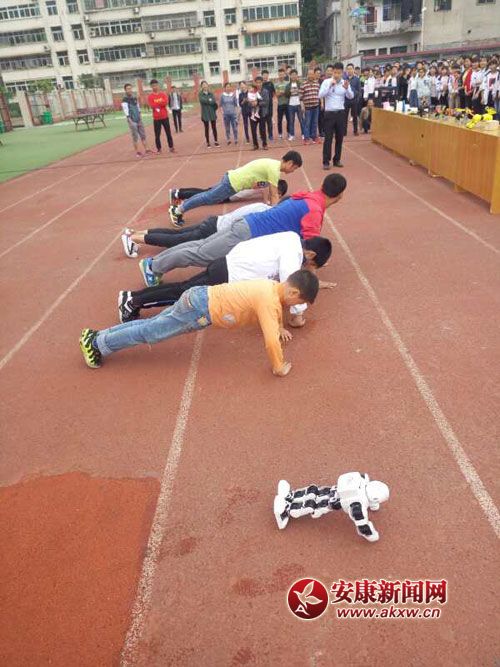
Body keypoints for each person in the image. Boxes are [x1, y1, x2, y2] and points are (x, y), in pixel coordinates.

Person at [79, 270, 320, 377]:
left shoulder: (271, 287)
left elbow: (274, 314)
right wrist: (278, 366)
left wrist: (279, 326)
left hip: (199, 297)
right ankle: (97, 344)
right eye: (298, 302)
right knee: (150, 332)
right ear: (294, 292)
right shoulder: (269, 300)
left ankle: (98, 337)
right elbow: (270, 341)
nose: (295, 306)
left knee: (151, 325)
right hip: (198, 309)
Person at [142, 173, 346, 285]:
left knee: (199, 247)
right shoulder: (314, 211)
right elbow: (309, 251)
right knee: (200, 254)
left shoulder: (309, 196)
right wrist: (312, 281)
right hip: (248, 233)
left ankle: (154, 264)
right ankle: (153, 266)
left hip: (247, 225)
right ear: (339, 195)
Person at [118, 233, 333, 325]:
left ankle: (133, 299)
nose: (307, 268)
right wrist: (298, 314)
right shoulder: (293, 254)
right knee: (181, 294)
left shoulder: (292, 238)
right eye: (311, 265)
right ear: (311, 254)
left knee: (182, 289)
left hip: (227, 264)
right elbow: (290, 282)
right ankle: (133, 300)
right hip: (228, 274)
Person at [121, 196, 286, 258]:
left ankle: (135, 233)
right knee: (176, 240)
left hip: (215, 222)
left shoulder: (262, 207)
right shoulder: (265, 215)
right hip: (215, 230)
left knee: (176, 234)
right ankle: (134, 239)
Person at [168, 152, 302, 227]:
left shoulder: (272, 165)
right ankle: (178, 210)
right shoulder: (274, 169)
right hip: (232, 183)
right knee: (207, 198)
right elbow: (274, 195)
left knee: (207, 196)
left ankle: (179, 208)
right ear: (290, 163)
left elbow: (264, 188)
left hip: (232, 180)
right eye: (294, 168)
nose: (293, 171)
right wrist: (276, 213)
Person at [319, 62, 354, 170]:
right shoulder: (326, 82)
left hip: (341, 113)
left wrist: (347, 88)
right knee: (328, 139)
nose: (336, 75)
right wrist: (330, 85)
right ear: (332, 72)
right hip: (329, 113)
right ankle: (326, 161)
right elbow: (320, 95)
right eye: (335, 72)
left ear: (342, 73)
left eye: (339, 73)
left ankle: (337, 160)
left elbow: (351, 96)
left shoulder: (345, 82)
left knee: (339, 138)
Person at [121, 83, 152, 158]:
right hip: (132, 120)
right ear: (125, 90)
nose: (129, 90)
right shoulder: (125, 99)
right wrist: (129, 120)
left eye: (130, 88)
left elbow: (138, 107)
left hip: (138, 119)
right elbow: (126, 110)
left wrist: (140, 117)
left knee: (143, 135)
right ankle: (137, 152)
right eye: (128, 89)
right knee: (135, 137)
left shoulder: (134, 98)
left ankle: (147, 149)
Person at [147, 79, 174, 154]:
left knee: (168, 133)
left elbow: (165, 102)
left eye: (156, 85)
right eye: (153, 86)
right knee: (157, 135)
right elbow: (152, 105)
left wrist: (158, 104)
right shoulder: (150, 96)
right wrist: (160, 103)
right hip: (156, 118)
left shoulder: (163, 94)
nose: (155, 87)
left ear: (158, 85)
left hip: (165, 117)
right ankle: (159, 149)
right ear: (151, 87)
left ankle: (171, 147)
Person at [300, 68, 321, 145]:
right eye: (309, 74)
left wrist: (322, 103)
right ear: (307, 75)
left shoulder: (317, 84)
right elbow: (301, 97)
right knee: (307, 123)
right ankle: (306, 138)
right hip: (307, 107)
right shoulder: (303, 84)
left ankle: (314, 137)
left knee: (315, 123)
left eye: (312, 74)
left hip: (316, 106)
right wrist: (302, 106)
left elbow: (320, 94)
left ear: (314, 75)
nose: (310, 76)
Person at [199, 80, 219, 148]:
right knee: (206, 128)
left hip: (212, 112)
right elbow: (202, 100)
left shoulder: (211, 93)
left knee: (214, 127)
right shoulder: (200, 94)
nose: (205, 86)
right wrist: (209, 100)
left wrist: (208, 101)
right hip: (205, 113)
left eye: (205, 84)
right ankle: (208, 142)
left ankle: (216, 141)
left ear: (207, 85)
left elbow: (213, 101)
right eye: (203, 85)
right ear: (201, 86)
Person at [286, 69, 304, 141]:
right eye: (292, 75)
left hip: (299, 104)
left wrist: (298, 91)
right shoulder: (288, 85)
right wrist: (289, 92)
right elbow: (286, 95)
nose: (293, 76)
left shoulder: (300, 84)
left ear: (297, 75)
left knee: (301, 120)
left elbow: (303, 93)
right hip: (291, 105)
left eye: (295, 75)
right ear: (290, 76)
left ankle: (303, 134)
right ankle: (292, 135)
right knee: (291, 120)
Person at [344, 63, 361, 136]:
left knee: (355, 116)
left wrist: (357, 98)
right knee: (344, 117)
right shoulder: (344, 79)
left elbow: (359, 90)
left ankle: (355, 130)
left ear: (353, 70)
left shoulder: (357, 79)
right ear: (346, 70)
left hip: (354, 100)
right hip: (346, 100)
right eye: (348, 69)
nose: (349, 70)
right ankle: (344, 131)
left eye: (351, 69)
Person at [275, 68, 290, 140]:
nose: (281, 76)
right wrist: (283, 92)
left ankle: (289, 132)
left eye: (282, 74)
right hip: (280, 104)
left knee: (289, 119)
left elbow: (289, 93)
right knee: (279, 120)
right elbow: (277, 95)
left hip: (287, 104)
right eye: (280, 75)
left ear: (284, 75)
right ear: (278, 75)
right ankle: (280, 133)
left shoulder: (288, 83)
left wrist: (282, 92)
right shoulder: (276, 84)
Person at [262, 69, 275, 141]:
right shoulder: (260, 84)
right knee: (262, 121)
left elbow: (273, 93)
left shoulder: (270, 83)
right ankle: (262, 135)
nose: (265, 76)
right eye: (264, 75)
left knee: (269, 121)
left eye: (266, 75)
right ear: (262, 76)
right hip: (262, 106)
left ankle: (270, 135)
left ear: (268, 76)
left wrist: (269, 99)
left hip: (270, 105)